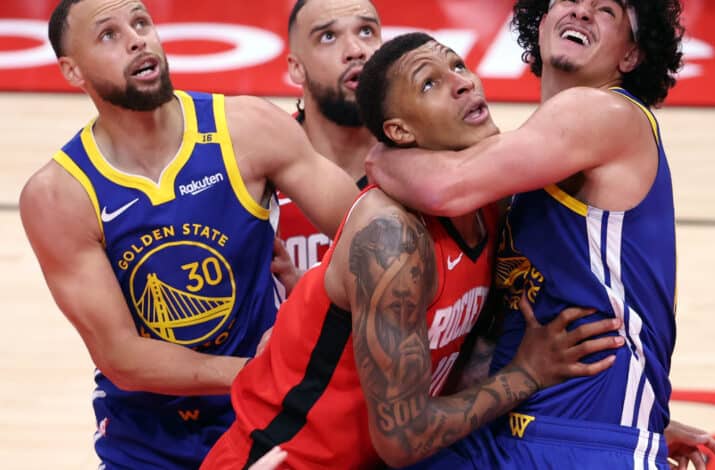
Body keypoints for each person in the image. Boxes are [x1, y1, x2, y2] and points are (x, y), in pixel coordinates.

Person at [201, 32, 625, 470]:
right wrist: (528, 375)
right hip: (278, 460)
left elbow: (490, 351)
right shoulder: (392, 236)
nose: (463, 83)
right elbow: (402, 438)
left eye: (458, 66)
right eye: (429, 83)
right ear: (400, 131)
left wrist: (623, 420)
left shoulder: (490, 205)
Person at [19, 0, 359, 468]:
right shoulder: (59, 195)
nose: (137, 38)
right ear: (72, 71)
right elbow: (121, 356)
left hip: (269, 414)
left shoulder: (247, 129)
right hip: (147, 432)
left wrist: (315, 297)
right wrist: (257, 368)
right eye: (109, 35)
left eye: (141, 22)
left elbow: (370, 235)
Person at [367, 1, 706, 468]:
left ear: (630, 56)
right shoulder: (528, 162)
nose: (582, 12)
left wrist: (377, 155)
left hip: (586, 439)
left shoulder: (605, 112)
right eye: (569, 0)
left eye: (606, 9)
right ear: (540, 23)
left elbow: (445, 187)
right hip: (501, 426)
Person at [276, 0, 381, 280]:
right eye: (328, 36)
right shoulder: (259, 166)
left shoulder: (426, 160)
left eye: (367, 32)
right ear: (297, 68)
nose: (356, 50)